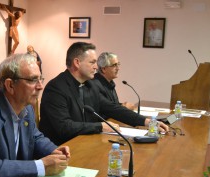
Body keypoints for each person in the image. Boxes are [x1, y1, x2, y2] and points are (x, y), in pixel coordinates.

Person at [39, 42, 169, 145]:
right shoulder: (56, 88)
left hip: (86, 143)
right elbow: (64, 127)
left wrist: (148, 122)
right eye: (92, 62)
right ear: (77, 63)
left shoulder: (91, 85)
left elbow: (114, 108)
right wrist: (100, 126)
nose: (96, 67)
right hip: (62, 148)